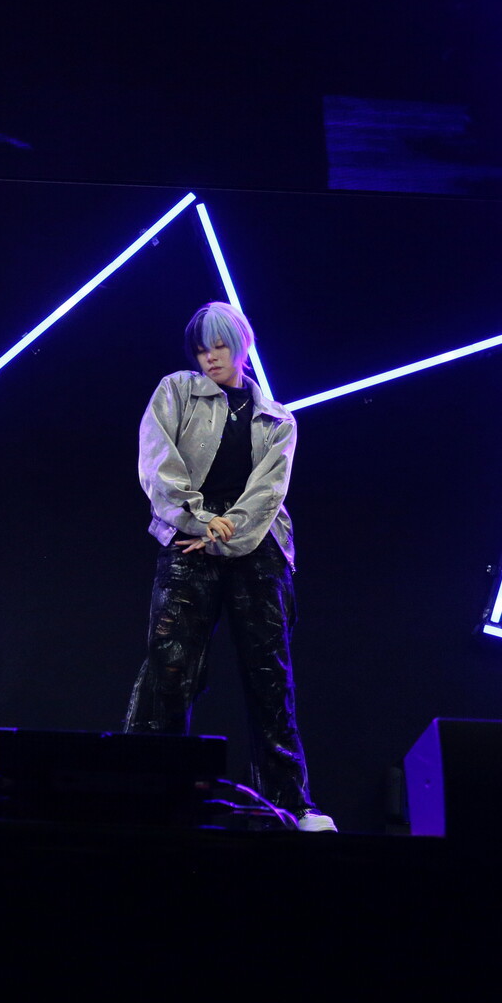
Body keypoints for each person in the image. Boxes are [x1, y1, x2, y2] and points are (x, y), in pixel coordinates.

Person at [125, 301, 335, 831]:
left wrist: (225, 530)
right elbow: (157, 465)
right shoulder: (176, 391)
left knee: (270, 677)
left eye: (219, 345)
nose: (210, 357)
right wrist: (199, 521)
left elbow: (269, 492)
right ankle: (145, 795)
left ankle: (292, 805)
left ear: (241, 345)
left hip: (258, 545)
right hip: (188, 538)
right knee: (169, 668)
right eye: (201, 349)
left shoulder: (278, 418)